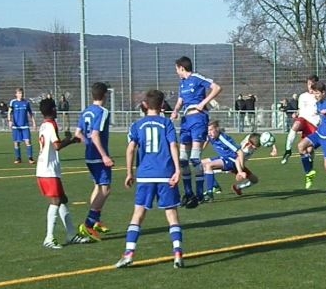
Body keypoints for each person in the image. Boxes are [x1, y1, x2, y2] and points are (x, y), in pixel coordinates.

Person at [116, 89, 185, 269]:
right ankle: (177, 253)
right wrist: (177, 170)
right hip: (166, 174)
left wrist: (129, 172)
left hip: (145, 175)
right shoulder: (167, 124)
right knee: (171, 214)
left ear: (145, 105)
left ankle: (129, 253)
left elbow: (131, 149)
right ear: (162, 105)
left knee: (138, 214)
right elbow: (173, 146)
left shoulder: (137, 125)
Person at [34, 97, 93, 249]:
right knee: (55, 201)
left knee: (62, 200)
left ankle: (71, 234)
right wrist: (69, 139)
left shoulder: (43, 125)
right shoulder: (51, 125)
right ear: (53, 109)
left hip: (46, 169)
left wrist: (71, 140)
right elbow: (57, 146)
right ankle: (49, 238)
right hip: (48, 170)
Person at [171, 56, 222, 207]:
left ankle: (199, 194)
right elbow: (180, 101)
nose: (176, 72)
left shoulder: (197, 78)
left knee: (194, 158)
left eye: (176, 69)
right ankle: (188, 193)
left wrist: (203, 103)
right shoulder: (182, 83)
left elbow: (217, 88)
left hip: (198, 119)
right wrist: (175, 111)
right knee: (183, 160)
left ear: (181, 67)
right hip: (186, 121)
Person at [73, 82, 115, 241]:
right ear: (105, 95)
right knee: (105, 189)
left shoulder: (86, 111)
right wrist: (104, 156)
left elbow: (78, 134)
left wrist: (88, 144)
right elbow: (96, 134)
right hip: (98, 157)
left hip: (89, 156)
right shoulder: (103, 111)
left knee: (98, 187)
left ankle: (96, 222)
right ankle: (88, 225)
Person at [297, 81, 326, 202]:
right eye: (314, 93)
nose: (315, 95)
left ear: (323, 92)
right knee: (301, 146)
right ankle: (309, 172)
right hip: (319, 133)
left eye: (317, 93)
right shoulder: (318, 103)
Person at [200, 120, 260, 201]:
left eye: (211, 130)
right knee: (199, 164)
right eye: (208, 130)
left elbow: (239, 152)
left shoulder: (224, 139)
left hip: (231, 161)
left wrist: (240, 171)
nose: (209, 132)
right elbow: (206, 140)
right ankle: (215, 186)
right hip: (224, 158)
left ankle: (209, 193)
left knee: (208, 166)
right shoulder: (210, 136)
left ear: (217, 129)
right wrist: (198, 152)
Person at [282, 75, 321, 164]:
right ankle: (288, 150)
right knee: (296, 125)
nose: (310, 86)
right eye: (308, 84)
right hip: (303, 120)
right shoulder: (302, 96)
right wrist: (296, 113)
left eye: (312, 84)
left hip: (313, 124)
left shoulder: (319, 97)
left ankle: (310, 164)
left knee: (309, 150)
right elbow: (301, 109)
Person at [8, 88, 36, 164]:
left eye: (22, 93)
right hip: (16, 126)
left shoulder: (26, 102)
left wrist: (34, 123)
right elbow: (9, 112)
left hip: (25, 126)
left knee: (28, 142)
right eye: (19, 93)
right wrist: (9, 120)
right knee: (16, 143)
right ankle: (18, 158)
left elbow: (30, 113)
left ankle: (30, 158)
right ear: (16, 94)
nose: (21, 95)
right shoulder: (13, 102)